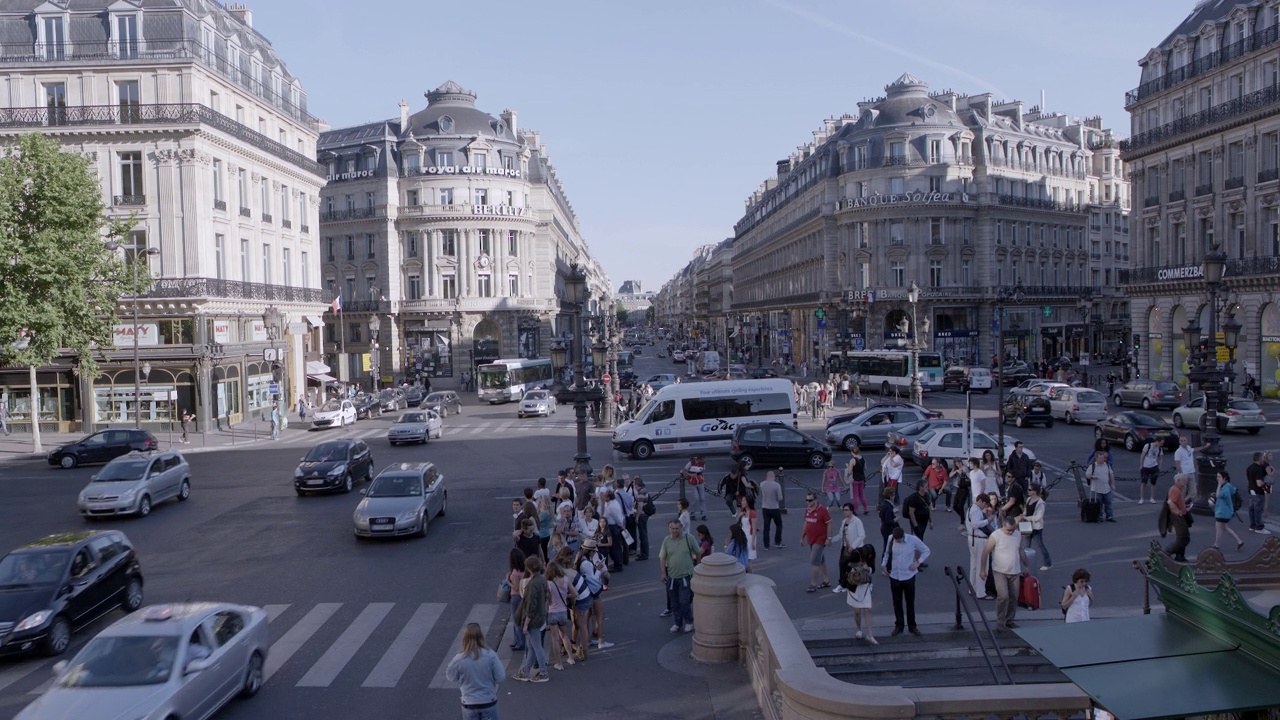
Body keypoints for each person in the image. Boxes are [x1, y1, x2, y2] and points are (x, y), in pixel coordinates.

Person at [445, 622, 504, 719]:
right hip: (488, 701)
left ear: (465, 638)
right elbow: (500, 678)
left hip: (469, 703)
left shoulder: (459, 659)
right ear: (481, 636)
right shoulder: (491, 655)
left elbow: (451, 677)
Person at [882, 526, 930, 637]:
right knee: (896, 602)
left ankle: (912, 626)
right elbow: (887, 553)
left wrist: (918, 562)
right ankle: (899, 625)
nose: (897, 541)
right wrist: (884, 565)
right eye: (895, 539)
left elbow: (926, 550)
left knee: (910, 602)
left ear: (903, 536)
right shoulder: (891, 539)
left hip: (908, 576)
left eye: (898, 539)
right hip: (894, 575)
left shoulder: (913, 540)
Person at [979, 516, 1024, 630]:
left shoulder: (1017, 535)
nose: (1011, 532)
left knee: (1014, 597)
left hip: (1015, 570)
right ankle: (1000, 622)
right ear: (1003, 526)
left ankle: (1010, 620)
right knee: (1003, 596)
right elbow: (985, 553)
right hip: (1000, 571)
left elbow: (1021, 551)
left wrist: (1027, 566)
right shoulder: (995, 535)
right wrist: (982, 569)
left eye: (1012, 529)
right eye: (1008, 530)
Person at [512, 555, 549, 683]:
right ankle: (526, 670)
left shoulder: (532, 584)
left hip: (533, 619)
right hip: (540, 616)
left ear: (529, 568)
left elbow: (530, 606)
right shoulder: (542, 579)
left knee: (536, 646)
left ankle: (543, 672)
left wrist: (526, 624)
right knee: (532, 645)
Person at [659, 519, 701, 633]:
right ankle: (677, 623)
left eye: (676, 528)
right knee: (674, 602)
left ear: (681, 528)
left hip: (686, 576)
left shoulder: (689, 538)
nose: (674, 531)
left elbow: (698, 552)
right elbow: (662, 557)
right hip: (672, 576)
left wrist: (697, 566)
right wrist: (663, 573)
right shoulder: (667, 540)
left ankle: (689, 622)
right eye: (672, 528)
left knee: (684, 601)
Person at [545, 560, 576, 671]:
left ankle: (559, 663)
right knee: (564, 635)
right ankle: (571, 658)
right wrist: (566, 596)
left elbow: (547, 598)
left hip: (552, 612)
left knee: (555, 639)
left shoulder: (548, 583)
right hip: (563, 611)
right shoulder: (566, 580)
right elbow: (574, 593)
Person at [844, 544, 877, 644]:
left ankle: (870, 634)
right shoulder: (855, 554)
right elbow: (844, 564)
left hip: (865, 585)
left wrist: (867, 568)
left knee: (868, 609)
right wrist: (855, 568)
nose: (870, 557)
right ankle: (859, 629)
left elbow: (873, 570)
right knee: (857, 611)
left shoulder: (870, 558)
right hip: (854, 585)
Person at [802, 493, 833, 592]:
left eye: (810, 500)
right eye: (807, 500)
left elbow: (829, 524)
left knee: (814, 560)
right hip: (811, 539)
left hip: (820, 539)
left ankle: (813, 583)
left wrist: (829, 538)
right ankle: (826, 580)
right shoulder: (807, 510)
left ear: (815, 500)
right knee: (821, 560)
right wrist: (802, 537)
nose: (808, 502)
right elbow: (806, 523)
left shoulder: (823, 510)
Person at [967, 494, 996, 599]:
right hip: (979, 539)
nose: (985, 506)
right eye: (984, 504)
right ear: (981, 501)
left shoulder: (971, 508)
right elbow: (975, 524)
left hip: (973, 538)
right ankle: (981, 592)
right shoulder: (976, 510)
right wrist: (988, 520)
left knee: (974, 565)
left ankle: (972, 587)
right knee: (982, 565)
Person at [834, 503, 866, 594]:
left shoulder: (857, 521)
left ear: (852, 511)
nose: (845, 511)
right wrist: (830, 540)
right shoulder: (844, 521)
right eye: (844, 510)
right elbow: (841, 535)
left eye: (847, 510)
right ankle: (845, 583)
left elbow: (862, 535)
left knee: (846, 564)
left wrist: (853, 546)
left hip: (855, 549)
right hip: (845, 548)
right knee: (845, 565)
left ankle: (843, 584)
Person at [1212, 470, 1246, 552]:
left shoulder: (1225, 488)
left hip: (1222, 512)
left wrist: (1219, 485)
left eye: (1219, 477)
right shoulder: (1229, 486)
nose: (1217, 478)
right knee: (1225, 527)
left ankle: (1216, 545)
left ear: (1224, 478)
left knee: (1219, 528)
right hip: (1226, 512)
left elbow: (1219, 495)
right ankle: (1239, 541)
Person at [1023, 484, 1052, 571]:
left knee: (1040, 546)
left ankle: (1048, 563)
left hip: (1036, 527)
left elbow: (1038, 517)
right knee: (1025, 546)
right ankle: (1025, 564)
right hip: (1026, 525)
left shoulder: (1040, 503)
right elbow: (1026, 510)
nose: (1028, 491)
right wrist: (1023, 516)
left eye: (1030, 490)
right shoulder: (1028, 499)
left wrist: (1026, 518)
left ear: (1035, 491)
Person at [1165, 474, 1192, 562]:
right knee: (1183, 537)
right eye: (1183, 480)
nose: (1185, 481)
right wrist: (1178, 511)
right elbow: (1170, 502)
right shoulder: (1175, 490)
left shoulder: (1177, 489)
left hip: (1178, 515)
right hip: (1177, 517)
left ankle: (1180, 556)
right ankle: (1168, 551)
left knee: (1182, 537)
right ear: (1178, 481)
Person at [1085, 450, 1116, 522]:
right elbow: (1087, 475)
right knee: (1099, 504)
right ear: (1096, 458)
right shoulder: (1092, 466)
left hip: (1106, 488)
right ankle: (1099, 516)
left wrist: (1113, 484)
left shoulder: (1107, 465)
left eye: (1103, 458)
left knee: (1109, 503)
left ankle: (1110, 516)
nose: (1102, 460)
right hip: (1096, 489)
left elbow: (1111, 474)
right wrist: (1092, 476)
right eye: (1100, 458)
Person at [505, 549, 527, 652]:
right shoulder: (524, 569)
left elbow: (515, 586)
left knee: (516, 620)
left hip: (516, 597)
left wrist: (507, 581)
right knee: (519, 619)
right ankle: (516, 641)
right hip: (523, 596)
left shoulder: (515, 573)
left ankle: (520, 643)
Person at [1247, 452, 1272, 535]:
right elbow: (1259, 483)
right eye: (1262, 458)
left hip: (1251, 490)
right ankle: (1259, 527)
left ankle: (1252, 526)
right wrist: (1266, 481)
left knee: (1252, 509)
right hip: (1258, 491)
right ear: (1260, 459)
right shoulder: (1258, 469)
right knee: (1258, 510)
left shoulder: (1249, 467)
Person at [759, 471, 785, 550]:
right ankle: (777, 542)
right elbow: (780, 498)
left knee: (766, 527)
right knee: (779, 524)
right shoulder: (776, 485)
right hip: (774, 507)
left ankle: (766, 545)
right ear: (773, 477)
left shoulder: (762, 484)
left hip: (765, 508)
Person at [903, 481, 933, 547]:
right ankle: (915, 554)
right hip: (917, 522)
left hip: (924, 522)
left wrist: (931, 522)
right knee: (916, 540)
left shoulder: (927, 496)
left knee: (920, 537)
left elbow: (928, 509)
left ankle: (917, 553)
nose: (927, 488)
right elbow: (911, 512)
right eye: (926, 487)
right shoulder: (914, 498)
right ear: (920, 488)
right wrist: (915, 524)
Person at [734, 494, 758, 570]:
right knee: (743, 557)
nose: (742, 502)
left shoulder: (752, 513)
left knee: (748, 559)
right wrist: (739, 516)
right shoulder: (742, 511)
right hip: (743, 535)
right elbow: (737, 522)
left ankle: (750, 575)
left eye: (743, 500)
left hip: (750, 536)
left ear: (748, 502)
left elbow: (754, 528)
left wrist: (753, 542)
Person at [1138, 438, 1163, 505]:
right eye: (1161, 443)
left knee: (1153, 483)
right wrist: (1141, 465)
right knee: (1143, 483)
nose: (1162, 445)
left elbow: (1160, 458)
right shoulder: (1148, 446)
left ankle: (1152, 498)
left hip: (1154, 466)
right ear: (1157, 441)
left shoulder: (1160, 449)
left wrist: (1159, 467)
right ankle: (1142, 498)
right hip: (1146, 466)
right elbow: (1142, 455)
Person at [1173, 435, 1198, 503]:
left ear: (1187, 441)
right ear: (1179, 442)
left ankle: (1183, 502)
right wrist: (1181, 474)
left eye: (1184, 440)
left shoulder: (1189, 448)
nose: (1183, 442)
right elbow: (1177, 464)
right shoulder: (1178, 452)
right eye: (1182, 441)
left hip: (1191, 472)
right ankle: (1182, 504)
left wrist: (1206, 446)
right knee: (1183, 491)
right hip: (1184, 474)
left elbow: (1195, 449)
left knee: (1193, 492)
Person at [632, 478, 651, 561]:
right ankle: (644, 553)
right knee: (644, 534)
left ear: (636, 485)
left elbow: (640, 506)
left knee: (643, 535)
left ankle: (644, 554)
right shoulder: (644, 490)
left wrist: (637, 517)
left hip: (642, 516)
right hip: (645, 515)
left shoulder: (640, 493)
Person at [684, 456, 708, 521]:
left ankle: (704, 514)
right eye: (701, 461)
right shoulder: (691, 463)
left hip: (700, 482)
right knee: (696, 498)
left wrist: (704, 481)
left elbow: (701, 473)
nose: (702, 462)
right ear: (698, 459)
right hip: (693, 483)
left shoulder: (702, 464)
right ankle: (692, 514)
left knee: (702, 498)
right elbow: (684, 471)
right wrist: (690, 475)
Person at [847, 447, 869, 515]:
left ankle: (856, 511)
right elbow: (865, 468)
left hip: (855, 479)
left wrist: (848, 466)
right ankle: (866, 509)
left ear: (852, 452)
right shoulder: (862, 458)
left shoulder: (852, 460)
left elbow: (850, 472)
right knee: (862, 495)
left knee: (855, 496)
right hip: (862, 479)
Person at [876, 486, 898, 552]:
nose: (894, 496)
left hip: (883, 527)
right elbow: (889, 521)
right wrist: (895, 519)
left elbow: (881, 515)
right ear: (890, 496)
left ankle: (886, 560)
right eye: (894, 494)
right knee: (888, 546)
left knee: (886, 545)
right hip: (888, 529)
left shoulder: (883, 503)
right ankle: (887, 561)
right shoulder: (888, 506)